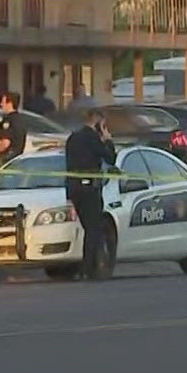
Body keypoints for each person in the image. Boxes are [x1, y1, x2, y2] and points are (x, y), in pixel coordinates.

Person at [63, 108, 117, 278]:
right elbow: (110, 159)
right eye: (103, 124)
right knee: (93, 229)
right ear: (97, 122)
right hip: (89, 189)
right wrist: (107, 140)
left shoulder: (72, 137)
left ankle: (89, 266)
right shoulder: (92, 137)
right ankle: (88, 269)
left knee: (88, 228)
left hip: (74, 188)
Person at [0, 91, 27, 168]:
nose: (1, 104)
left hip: (6, 160)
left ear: (10, 103)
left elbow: (5, 143)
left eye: (3, 102)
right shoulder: (19, 119)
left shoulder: (8, 121)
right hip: (17, 159)